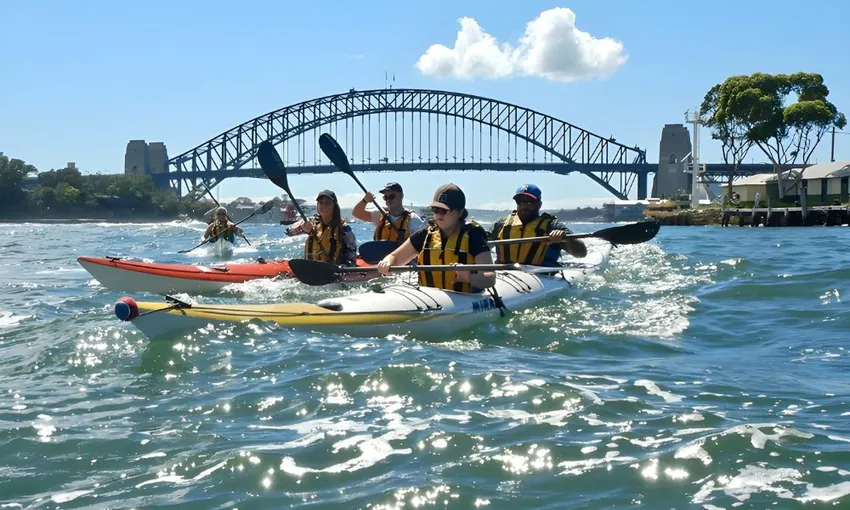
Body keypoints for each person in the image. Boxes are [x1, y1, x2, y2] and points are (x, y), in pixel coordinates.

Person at [376, 184, 496, 292]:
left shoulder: (474, 236)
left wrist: (469, 277)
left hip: (465, 299)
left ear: (459, 213)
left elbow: (490, 278)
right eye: (435, 210)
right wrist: (387, 263)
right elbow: (395, 257)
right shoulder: (425, 234)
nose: (438, 215)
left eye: (444, 211)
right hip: (430, 298)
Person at [489, 184, 587, 266]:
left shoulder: (551, 225)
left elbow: (581, 253)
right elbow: (482, 244)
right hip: (505, 272)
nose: (524, 205)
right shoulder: (500, 225)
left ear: (539, 204)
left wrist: (566, 238)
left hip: (542, 274)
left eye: (530, 201)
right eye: (520, 201)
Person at [285, 189, 357, 266]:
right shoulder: (312, 222)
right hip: (311, 268)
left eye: (327, 203)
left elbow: (351, 251)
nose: (323, 206)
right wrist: (300, 227)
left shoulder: (343, 228)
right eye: (320, 203)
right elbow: (288, 231)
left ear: (334, 206)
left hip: (333, 270)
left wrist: (345, 266)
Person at [352, 182, 424, 244]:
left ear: (401, 196)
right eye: (385, 197)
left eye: (392, 196)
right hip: (381, 259)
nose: (388, 200)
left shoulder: (413, 220)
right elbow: (356, 213)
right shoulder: (379, 215)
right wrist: (365, 200)